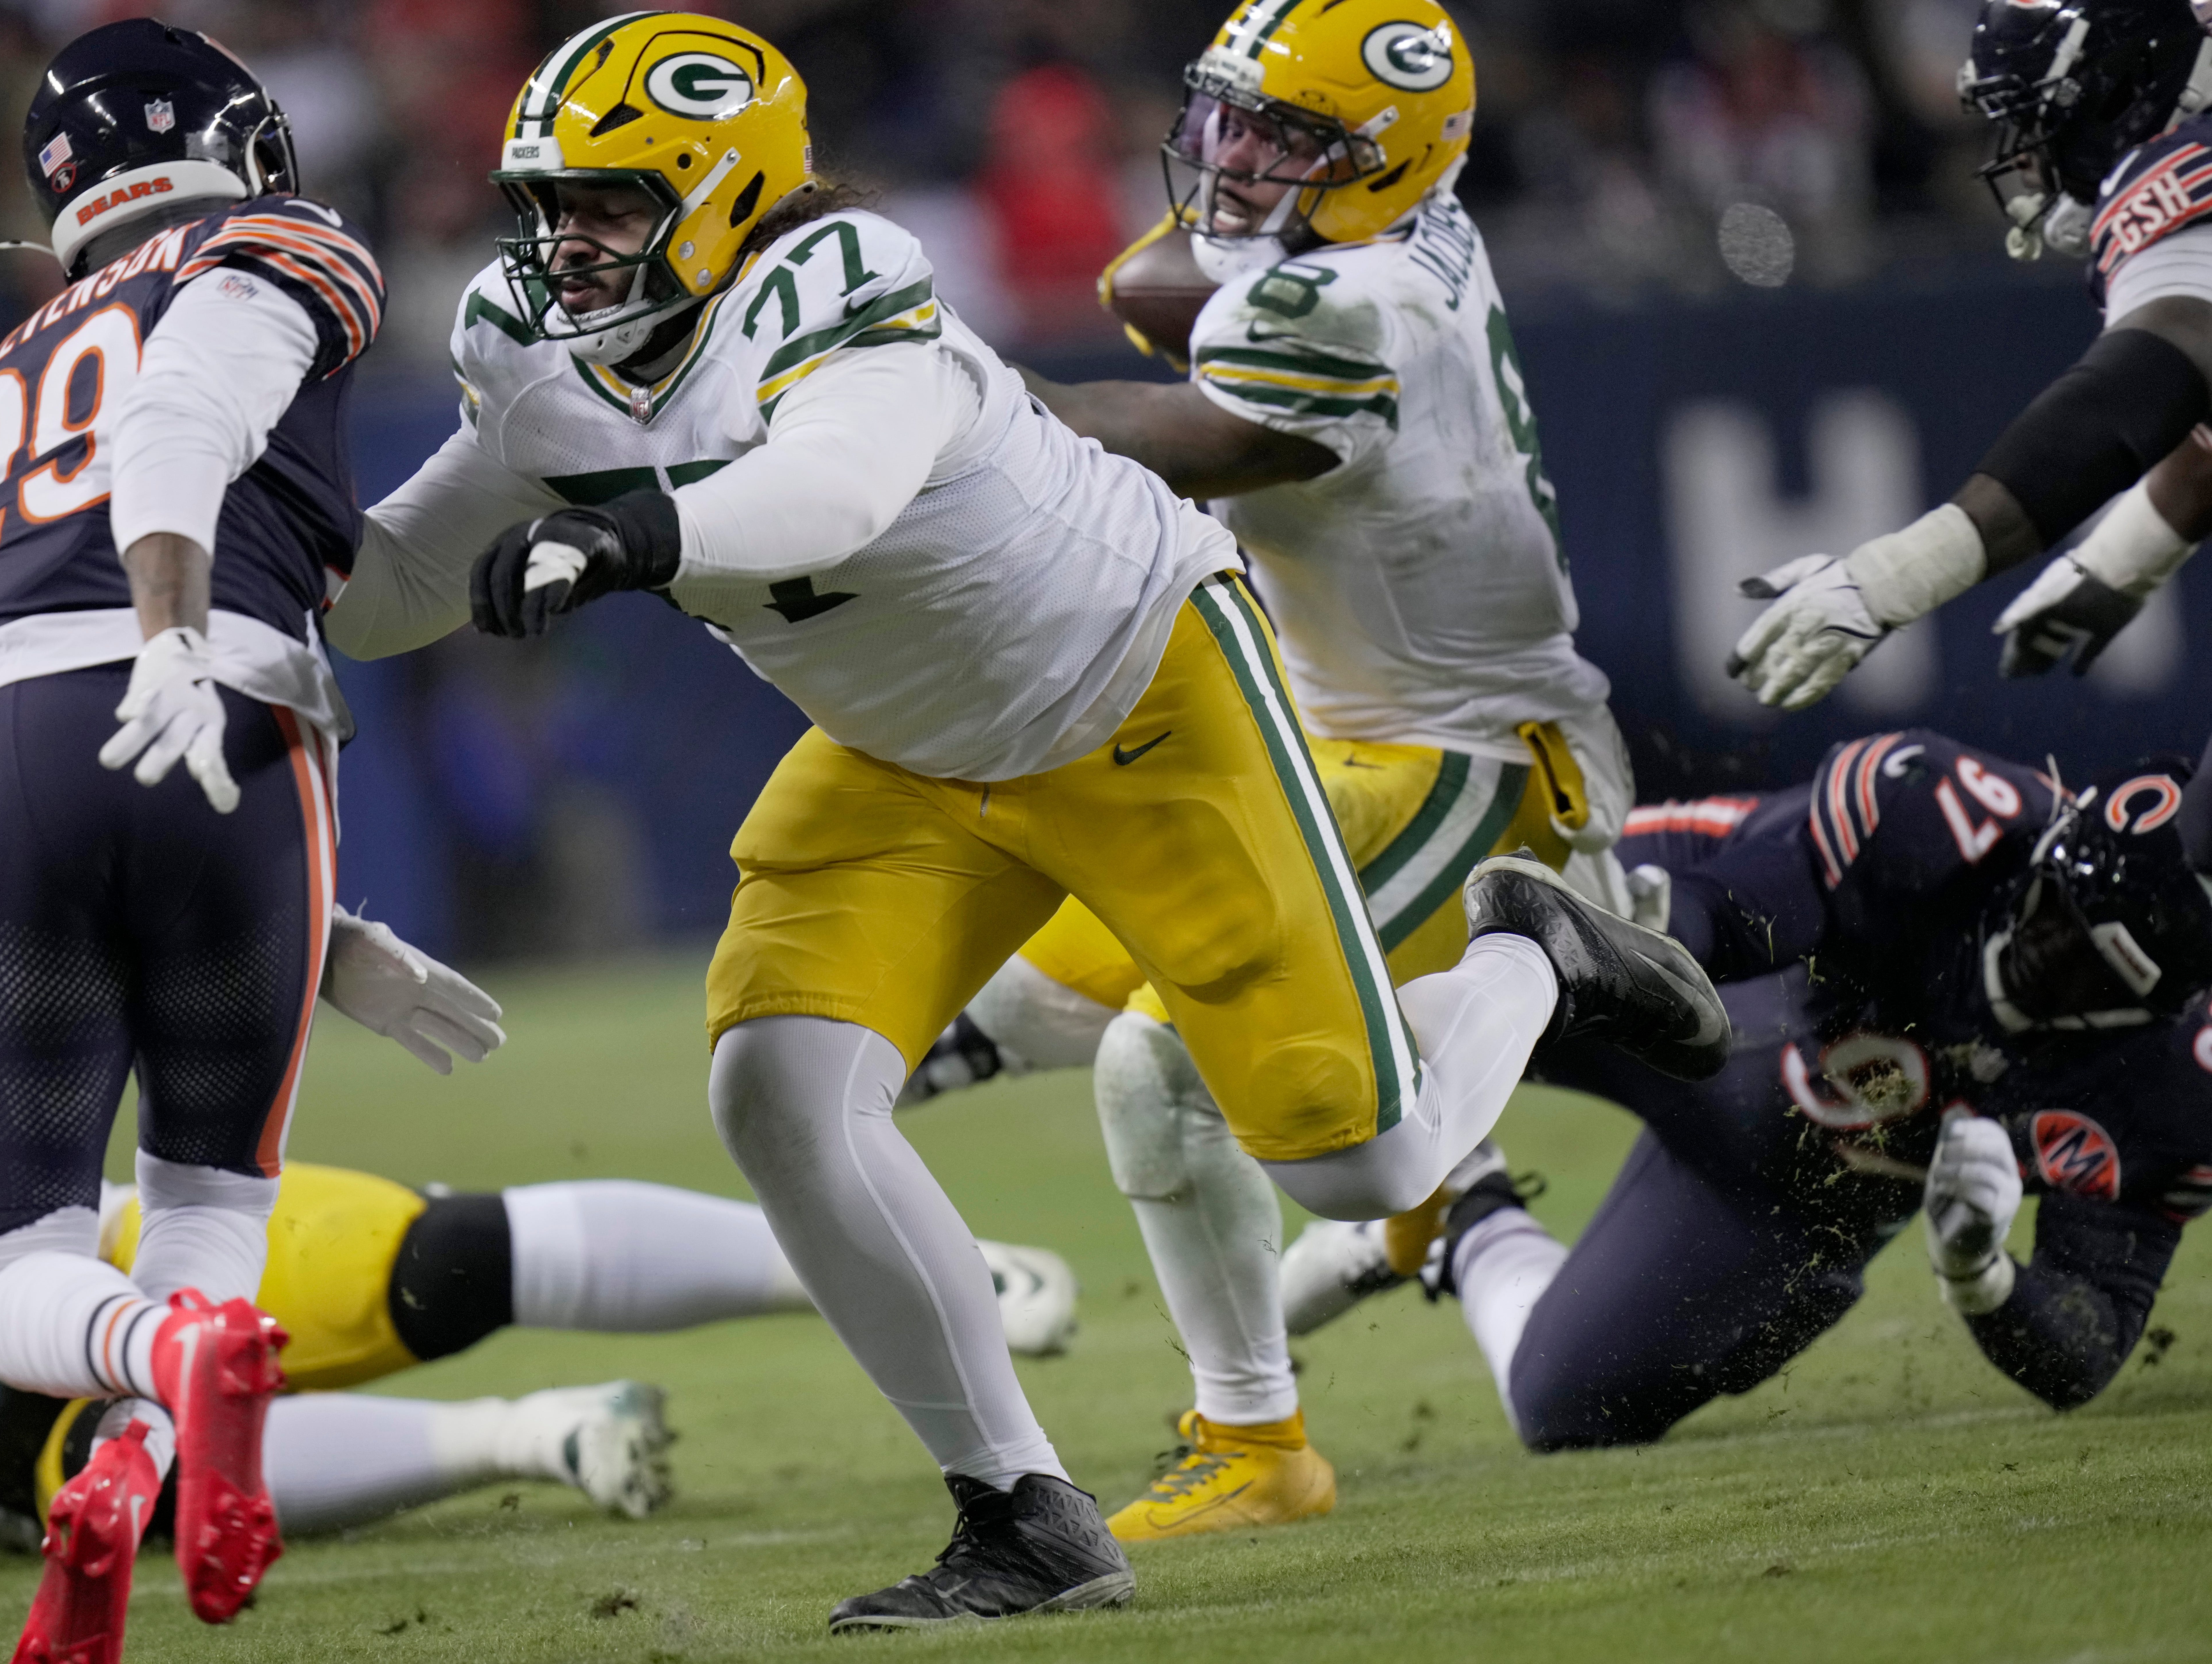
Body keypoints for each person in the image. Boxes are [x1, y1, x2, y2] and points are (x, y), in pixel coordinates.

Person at [325, 10, 1729, 1630]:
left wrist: (634, 533)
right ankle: (1022, 1512)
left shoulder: (839, 275)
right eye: (549, 206)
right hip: (906, 749)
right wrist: (251, 557)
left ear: (727, 195)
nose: (567, 243)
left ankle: (1539, 954)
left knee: (1365, 1162)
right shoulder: (529, 343)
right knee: (779, 1088)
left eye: (610, 204)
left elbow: (833, 491)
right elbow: (397, 585)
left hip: (1133, 688)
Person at [901, 0, 1643, 1543]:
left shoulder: (1353, 304)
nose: (1233, 156)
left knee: (1162, 1065)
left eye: (1286, 136)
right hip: (1324, 741)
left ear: (1388, 161)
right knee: (993, 1011)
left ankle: (1256, 1441)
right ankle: (1431, 1186)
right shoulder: (1384, 241)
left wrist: (912, 389)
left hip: (1471, 762)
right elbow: (1161, 287)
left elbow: (1143, 434)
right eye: (1229, 117)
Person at [0, 22, 442, 1658]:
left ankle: (132, 1447)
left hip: (19, 735)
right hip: (227, 701)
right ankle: (167, 1388)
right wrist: (169, 638)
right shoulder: (280, 240)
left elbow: (134, 439)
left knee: (12, 1269)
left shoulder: (18, 354)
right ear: (241, 142)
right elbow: (176, 421)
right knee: (212, 1205)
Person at [0, 1006, 1076, 1579]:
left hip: (80, 1265)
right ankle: (530, 1434)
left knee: (439, 1265)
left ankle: (871, 1274)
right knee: (163, 1487)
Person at [1283, 735, 2212, 1447]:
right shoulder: (1940, 817)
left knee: (1562, 1403)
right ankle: (1261, 1367)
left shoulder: (2176, 1085)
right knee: (1358, 951)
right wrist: (1586, 953)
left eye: (2089, 964)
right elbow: (1725, 916)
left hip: (1803, 1178)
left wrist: (1983, 1275)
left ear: (2164, 1002)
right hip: (1704, 972)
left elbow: (2088, 1342)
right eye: (2052, 906)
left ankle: (1469, 1215)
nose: (2041, 947)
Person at [1729, 0, 2212, 866]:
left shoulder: (2181, 167)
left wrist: (1895, 577)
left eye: (2041, 119)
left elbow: (2142, 387)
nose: (2024, 157)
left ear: (2127, 90)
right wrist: (2128, 555)